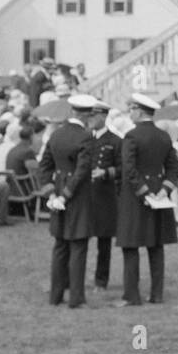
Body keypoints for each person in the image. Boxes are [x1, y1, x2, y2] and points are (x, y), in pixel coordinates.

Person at [114, 94, 178, 307]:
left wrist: (144, 192)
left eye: (132, 109)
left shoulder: (131, 137)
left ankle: (132, 296)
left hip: (135, 197)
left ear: (139, 111)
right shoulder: (164, 136)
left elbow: (129, 170)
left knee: (131, 247)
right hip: (159, 193)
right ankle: (156, 294)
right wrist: (164, 190)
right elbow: (173, 168)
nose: (130, 113)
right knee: (156, 245)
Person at [39, 94, 98, 309]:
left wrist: (52, 194)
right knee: (78, 247)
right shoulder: (86, 136)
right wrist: (65, 194)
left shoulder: (56, 135)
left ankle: (55, 296)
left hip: (58, 192)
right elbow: (83, 170)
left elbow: (44, 166)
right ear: (87, 115)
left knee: (60, 246)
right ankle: (76, 297)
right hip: (77, 196)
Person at [88, 98, 121, 291]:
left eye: (94, 115)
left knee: (104, 242)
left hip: (104, 197)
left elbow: (122, 168)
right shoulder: (85, 138)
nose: (91, 119)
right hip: (86, 195)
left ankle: (101, 280)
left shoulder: (115, 141)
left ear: (103, 116)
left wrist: (106, 172)